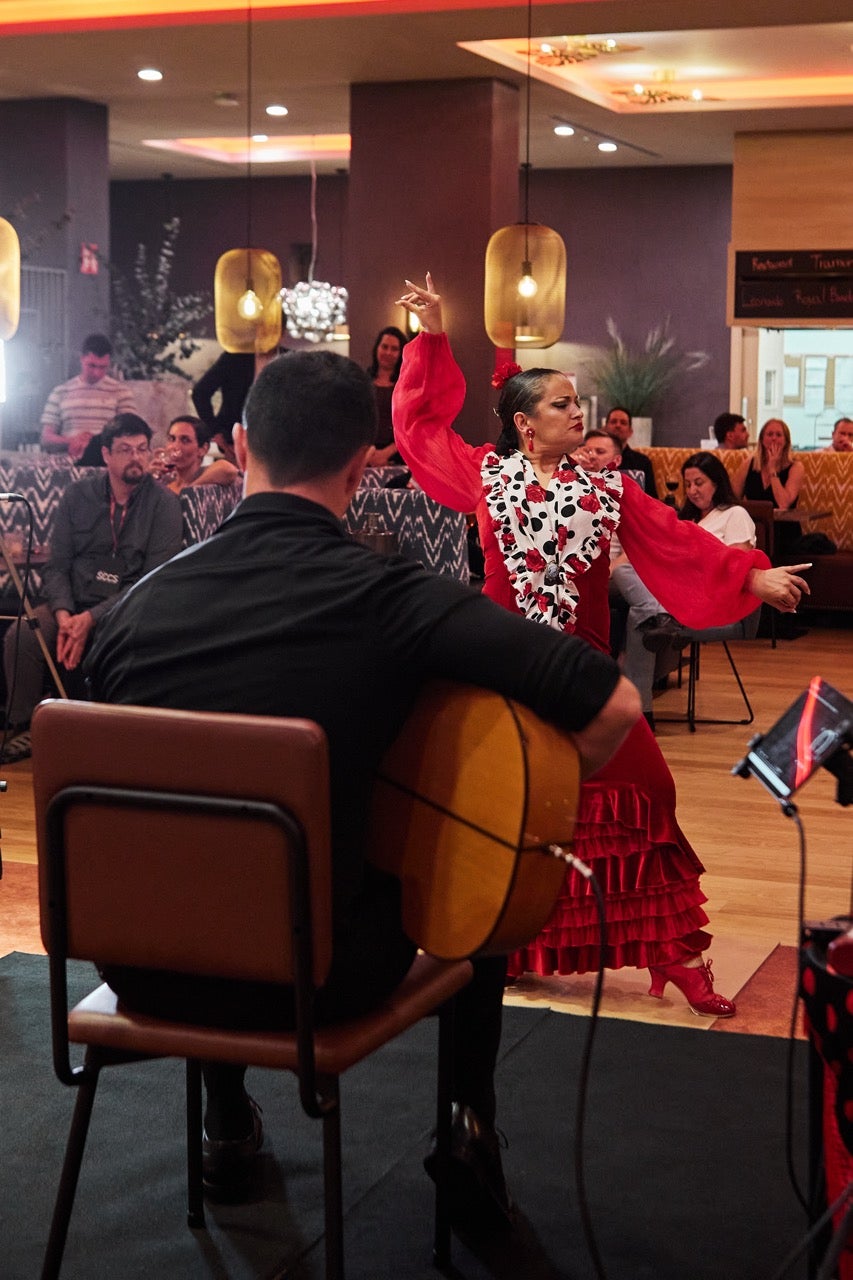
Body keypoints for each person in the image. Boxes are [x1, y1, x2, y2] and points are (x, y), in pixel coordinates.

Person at [85, 347, 640, 1226]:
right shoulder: (392, 597)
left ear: (240, 445)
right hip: (321, 977)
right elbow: (613, 701)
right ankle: (467, 1130)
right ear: (357, 468)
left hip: (141, 964)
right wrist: (519, 814)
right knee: (481, 863)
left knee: (209, 850)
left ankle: (224, 1125)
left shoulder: (130, 613)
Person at [393, 273, 810, 1017]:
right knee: (515, 809)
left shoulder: (606, 489)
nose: (576, 411)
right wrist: (429, 337)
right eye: (560, 403)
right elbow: (420, 426)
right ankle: (511, 946)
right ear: (525, 424)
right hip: (502, 675)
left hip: (583, 674)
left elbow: (676, 542)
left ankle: (673, 953)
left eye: (574, 401)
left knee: (648, 793)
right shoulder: (485, 475)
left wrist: (752, 577)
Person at [3, 413, 182, 762]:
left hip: (128, 608)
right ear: (105, 455)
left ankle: (104, 734)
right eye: (125, 450)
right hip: (73, 601)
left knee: (113, 638)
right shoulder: (77, 496)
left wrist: (91, 619)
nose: (136, 457)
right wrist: (65, 616)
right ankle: (26, 726)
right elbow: (57, 565)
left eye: (142, 449)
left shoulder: (164, 505)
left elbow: (151, 579)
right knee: (23, 635)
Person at [617, 453, 758, 725]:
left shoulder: (734, 514)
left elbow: (738, 566)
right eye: (688, 484)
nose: (692, 491)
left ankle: (639, 714)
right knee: (635, 596)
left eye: (699, 483)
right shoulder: (688, 520)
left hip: (711, 598)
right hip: (676, 593)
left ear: (717, 482)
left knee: (640, 617)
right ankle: (659, 617)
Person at [40, 334, 137, 461]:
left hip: (107, 462)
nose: (97, 373)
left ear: (109, 363)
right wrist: (72, 441)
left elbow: (131, 435)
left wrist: (95, 442)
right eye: (91, 365)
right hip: (68, 462)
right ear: (82, 359)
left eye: (103, 367)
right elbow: (46, 439)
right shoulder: (60, 392)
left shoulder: (121, 392)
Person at [732, 416, 805, 568]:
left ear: (786, 441)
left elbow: (783, 504)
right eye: (769, 434)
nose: (774, 439)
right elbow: (732, 498)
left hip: (784, 532)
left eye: (778, 435)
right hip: (755, 527)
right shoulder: (749, 464)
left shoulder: (795, 467)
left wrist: (772, 469)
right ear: (762, 439)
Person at [191, 350, 257, 463]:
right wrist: (216, 431)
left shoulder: (235, 357)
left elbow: (200, 393)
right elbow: (200, 393)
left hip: (271, 440)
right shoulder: (236, 356)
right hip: (233, 438)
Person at [151, 414, 240, 494]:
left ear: (203, 449)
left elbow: (229, 470)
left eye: (185, 440)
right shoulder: (163, 483)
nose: (175, 446)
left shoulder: (209, 476)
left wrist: (189, 491)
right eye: (172, 439)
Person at [366, 325, 407, 466]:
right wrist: (369, 455)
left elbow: (410, 426)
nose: (388, 352)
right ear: (377, 348)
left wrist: (386, 453)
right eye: (384, 347)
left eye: (394, 349)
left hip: (397, 457)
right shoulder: (363, 381)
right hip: (364, 457)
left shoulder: (407, 385)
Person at [602, 405, 659, 498]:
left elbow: (652, 498)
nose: (618, 425)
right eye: (613, 422)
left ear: (630, 431)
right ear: (605, 428)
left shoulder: (642, 462)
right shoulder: (594, 460)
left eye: (623, 423)